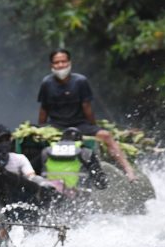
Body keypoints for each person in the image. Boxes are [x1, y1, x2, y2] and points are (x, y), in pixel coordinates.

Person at [37, 48, 137, 181]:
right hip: (56, 126)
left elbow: (87, 108)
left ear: (69, 63)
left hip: (79, 124)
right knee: (35, 142)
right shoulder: (47, 83)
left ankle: (128, 170)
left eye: (63, 61)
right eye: (57, 62)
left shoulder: (80, 81)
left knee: (106, 136)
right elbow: (44, 109)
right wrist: (40, 129)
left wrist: (93, 127)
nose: (60, 65)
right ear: (52, 65)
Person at [41, 126, 108, 191]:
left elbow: (35, 171)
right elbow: (98, 176)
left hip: (51, 189)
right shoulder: (86, 152)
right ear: (80, 140)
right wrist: (102, 184)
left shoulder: (46, 151)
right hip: (77, 191)